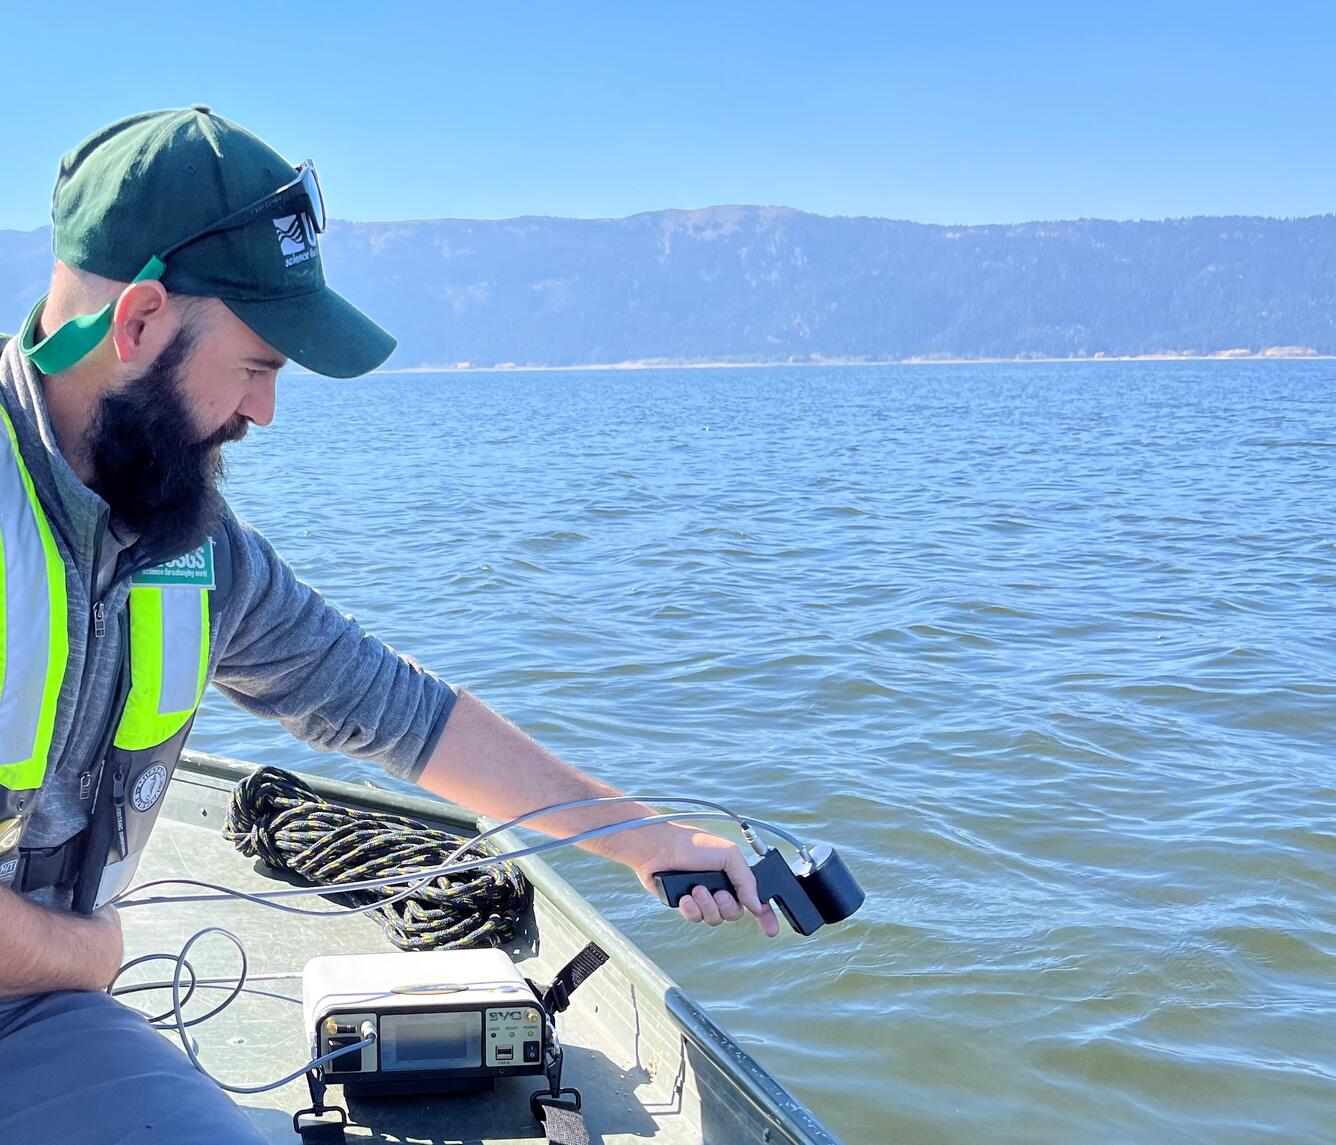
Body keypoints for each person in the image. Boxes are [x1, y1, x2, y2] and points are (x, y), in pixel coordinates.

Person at [0, 106, 778, 1145]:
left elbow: (387, 702)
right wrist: (83, 953)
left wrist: (645, 839)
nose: (266, 412)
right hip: (55, 973)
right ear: (138, 322)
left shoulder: (192, 541)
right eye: (259, 363)